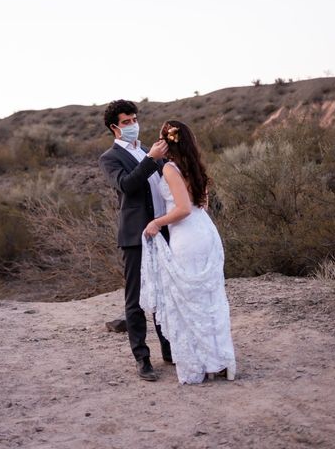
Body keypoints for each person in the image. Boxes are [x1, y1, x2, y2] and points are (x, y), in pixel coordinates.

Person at [140, 120, 236, 384]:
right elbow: (200, 204)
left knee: (191, 302)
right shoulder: (194, 166)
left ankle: (202, 363)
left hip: (187, 236)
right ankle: (217, 360)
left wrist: (156, 223)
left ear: (166, 140)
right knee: (209, 299)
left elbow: (182, 209)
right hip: (204, 230)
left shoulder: (171, 169)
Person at [98, 100, 172, 382]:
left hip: (162, 233)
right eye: (126, 122)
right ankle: (142, 359)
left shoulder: (146, 151)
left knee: (164, 294)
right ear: (114, 127)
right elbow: (127, 186)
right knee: (137, 299)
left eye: (134, 119)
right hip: (135, 236)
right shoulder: (110, 158)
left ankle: (169, 349)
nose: (132, 125)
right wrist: (152, 159)